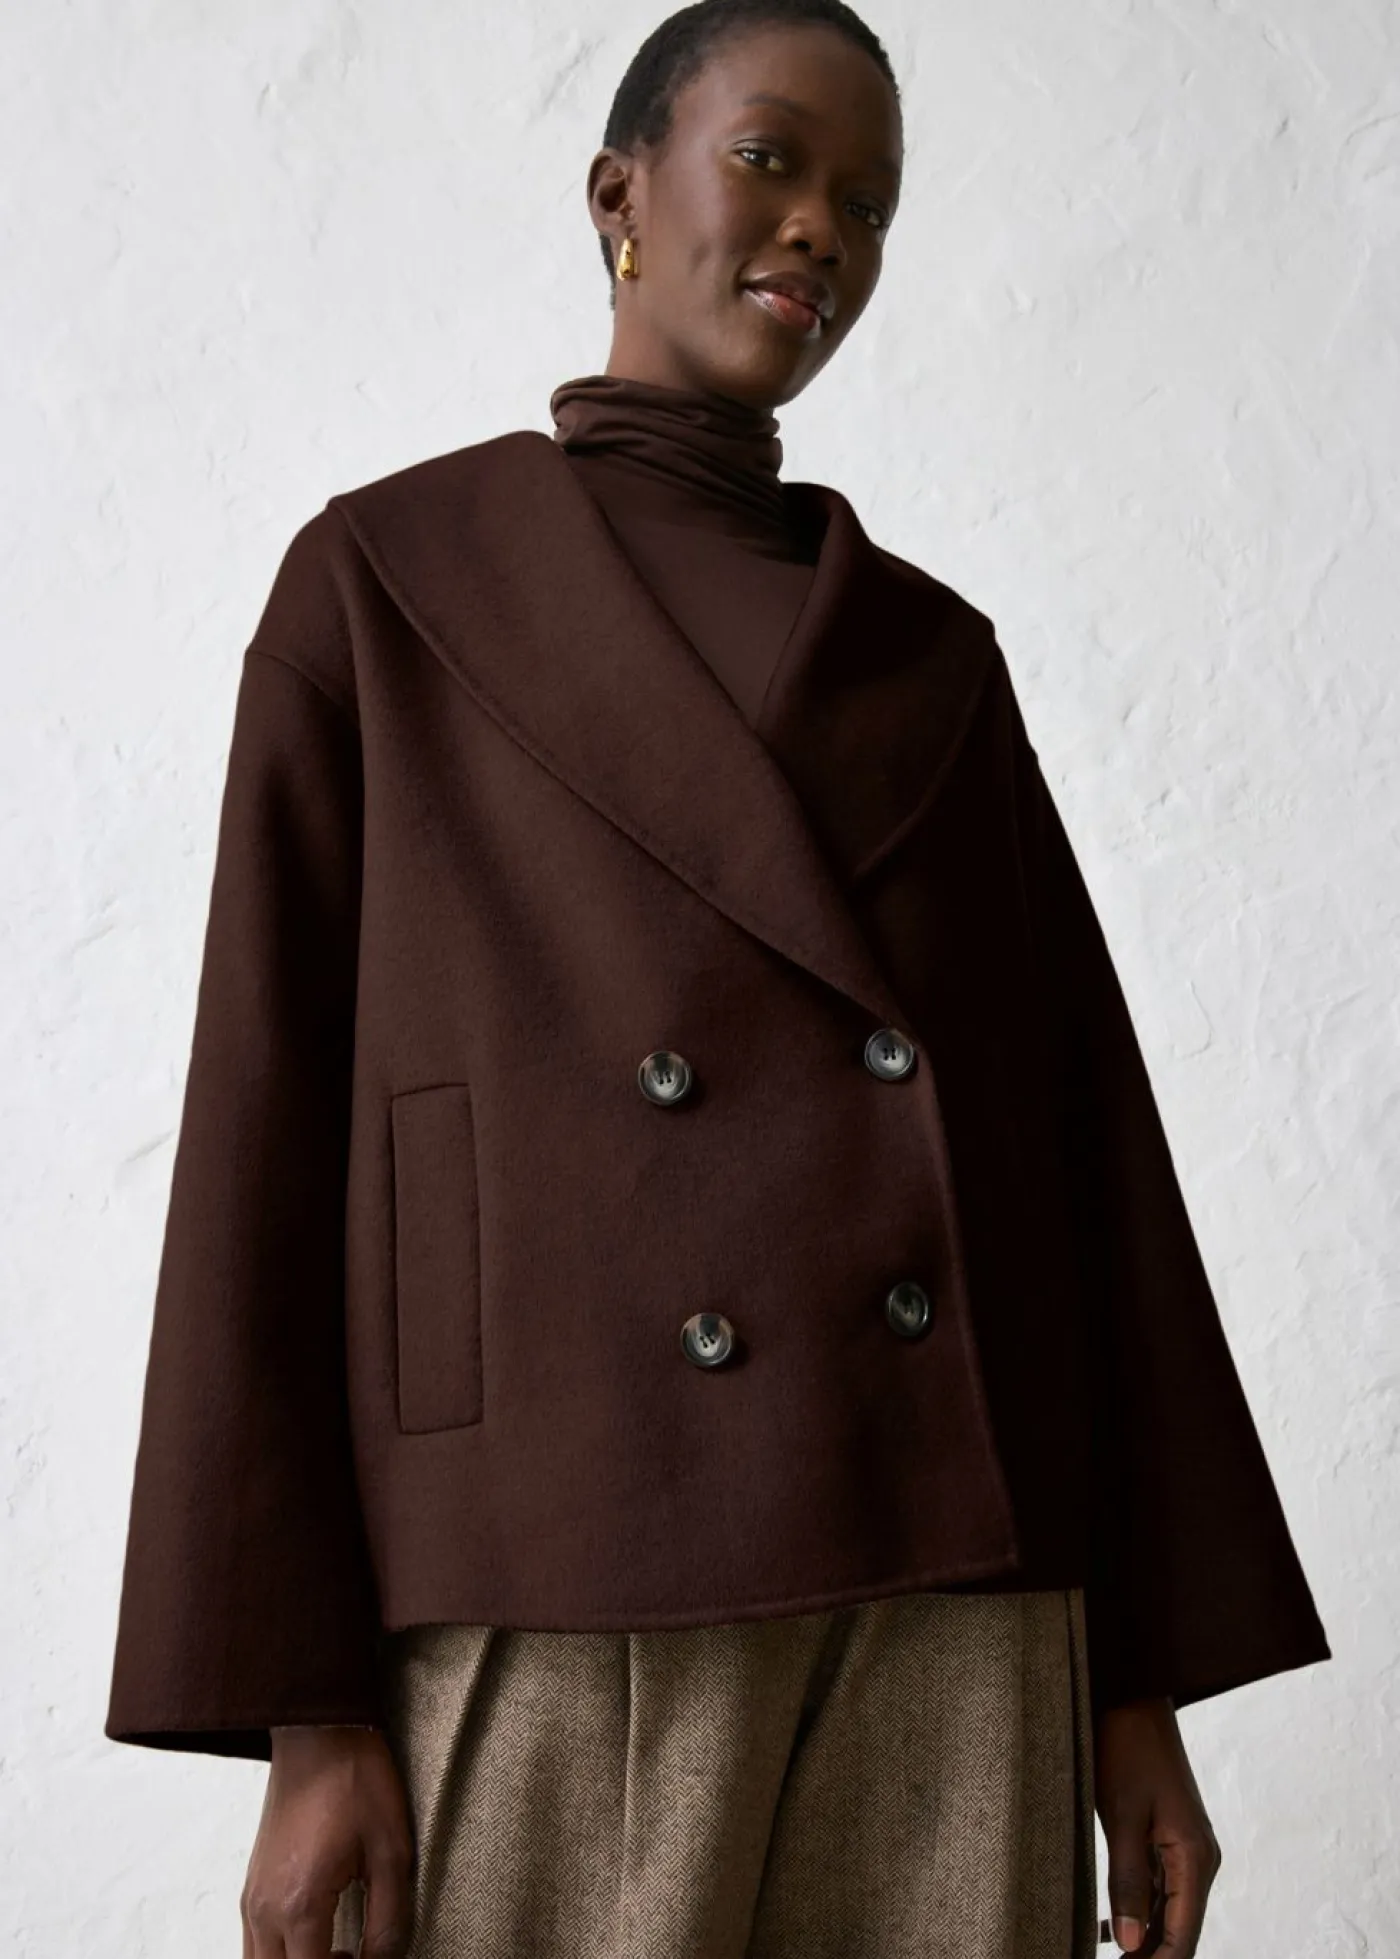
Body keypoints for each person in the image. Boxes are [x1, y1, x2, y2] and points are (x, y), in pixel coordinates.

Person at [104, 4, 1330, 1956]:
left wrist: (1134, 1682)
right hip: (557, 1574)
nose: (823, 225)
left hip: (954, 1602)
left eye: (870, 200)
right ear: (620, 193)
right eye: (771, 158)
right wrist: (302, 1707)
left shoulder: (929, 655)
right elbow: (259, 1152)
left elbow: (1082, 1168)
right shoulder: (387, 586)